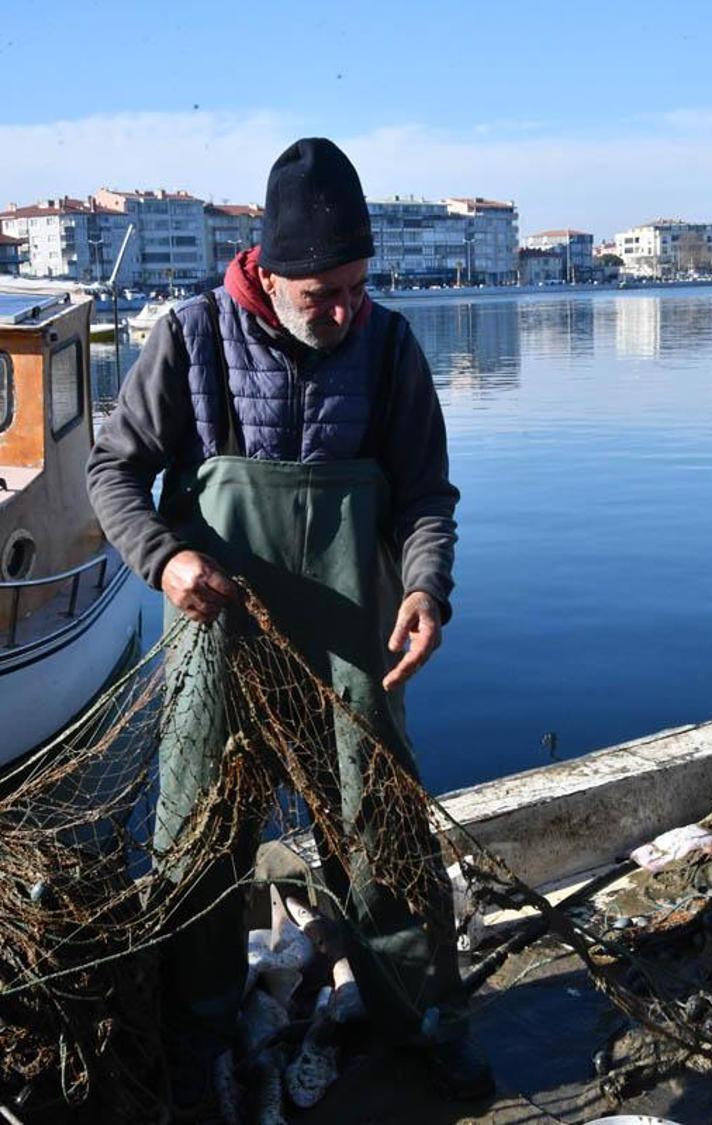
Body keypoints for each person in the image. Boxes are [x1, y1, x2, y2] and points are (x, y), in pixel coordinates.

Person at [87, 137, 494, 1116]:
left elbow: (425, 496)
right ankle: (198, 1031)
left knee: (382, 831)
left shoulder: (389, 349)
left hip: (355, 649)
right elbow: (112, 472)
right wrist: (166, 558)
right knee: (199, 842)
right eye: (325, 295)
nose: (347, 310)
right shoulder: (189, 339)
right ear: (267, 274)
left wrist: (426, 589)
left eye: (358, 287)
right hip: (220, 643)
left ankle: (418, 1022)